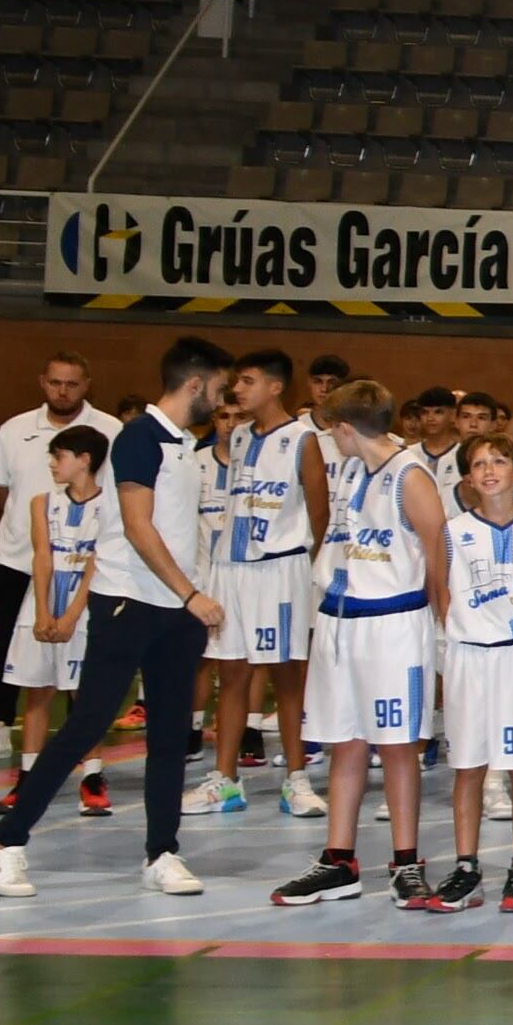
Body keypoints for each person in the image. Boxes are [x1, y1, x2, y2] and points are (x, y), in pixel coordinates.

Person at [0, 336, 234, 903]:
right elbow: (139, 527)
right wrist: (193, 593)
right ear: (194, 385)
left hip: (175, 611)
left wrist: (190, 600)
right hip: (128, 603)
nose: (220, 400)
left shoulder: (184, 446)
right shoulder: (139, 438)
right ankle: (5, 842)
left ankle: (162, 852)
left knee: (171, 735)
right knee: (87, 723)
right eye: (217, 389)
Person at [270, 382, 453, 910]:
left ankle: (405, 862)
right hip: (339, 619)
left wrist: (443, 621)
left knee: (397, 745)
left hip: (393, 623)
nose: (331, 437)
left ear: (346, 429)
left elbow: (438, 549)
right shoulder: (352, 470)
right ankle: (339, 860)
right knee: (343, 741)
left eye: (332, 429)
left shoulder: (410, 476)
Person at [438, 434, 513, 913]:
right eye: (479, 464)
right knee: (468, 765)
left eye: (499, 461)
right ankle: (467, 866)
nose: (489, 470)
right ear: (467, 479)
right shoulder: (453, 530)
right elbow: (441, 593)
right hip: (470, 657)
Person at [204, 350, 328, 820]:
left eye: (248, 381)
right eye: (237, 381)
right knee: (230, 675)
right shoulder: (236, 437)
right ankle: (225, 780)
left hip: (281, 569)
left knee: (287, 676)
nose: (238, 389)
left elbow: (320, 513)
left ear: (275, 387)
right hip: (231, 568)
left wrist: (313, 571)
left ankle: (296, 779)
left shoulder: (303, 440)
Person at [0, 355, 116, 766]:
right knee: (6, 646)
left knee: (84, 664)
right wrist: (35, 534)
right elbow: (1, 491)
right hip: (22, 558)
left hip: (84, 566)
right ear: (43, 382)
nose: (62, 391)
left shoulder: (110, 430)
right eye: (55, 382)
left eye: (72, 383)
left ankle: (82, 752)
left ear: (87, 384)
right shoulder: (13, 430)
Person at [1, 423, 108, 807]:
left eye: (58, 456)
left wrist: (71, 616)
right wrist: (46, 611)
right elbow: (42, 556)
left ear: (84, 460)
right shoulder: (42, 503)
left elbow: (97, 563)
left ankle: (92, 777)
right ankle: (28, 775)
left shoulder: (110, 506)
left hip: (86, 606)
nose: (51, 463)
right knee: (37, 690)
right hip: (43, 601)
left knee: (87, 695)